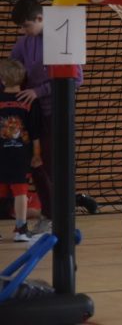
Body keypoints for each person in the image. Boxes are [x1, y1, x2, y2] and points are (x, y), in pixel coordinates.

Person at [9, 0, 94, 236]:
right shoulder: (24, 43)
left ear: (40, 18)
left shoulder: (60, 40)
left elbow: (76, 79)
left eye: (26, 25)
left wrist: (38, 91)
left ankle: (62, 215)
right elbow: (12, 71)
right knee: (35, 164)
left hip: (56, 113)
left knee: (53, 165)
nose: (23, 31)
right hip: (32, 115)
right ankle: (49, 214)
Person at [0, 58, 41, 242]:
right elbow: (35, 132)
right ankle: (21, 229)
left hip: (2, 155)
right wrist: (37, 154)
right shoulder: (29, 101)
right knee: (20, 192)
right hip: (20, 155)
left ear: (2, 79)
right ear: (23, 78)